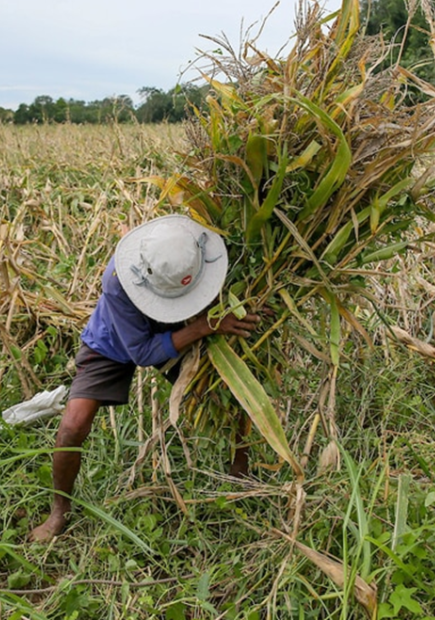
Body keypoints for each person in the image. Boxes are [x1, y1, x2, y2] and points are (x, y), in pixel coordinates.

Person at [28, 214, 263, 542]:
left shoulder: (196, 246)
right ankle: (59, 510)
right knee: (72, 426)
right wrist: (205, 327)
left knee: (236, 387)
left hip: (184, 326)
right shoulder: (117, 281)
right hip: (116, 341)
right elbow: (142, 352)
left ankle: (241, 471)